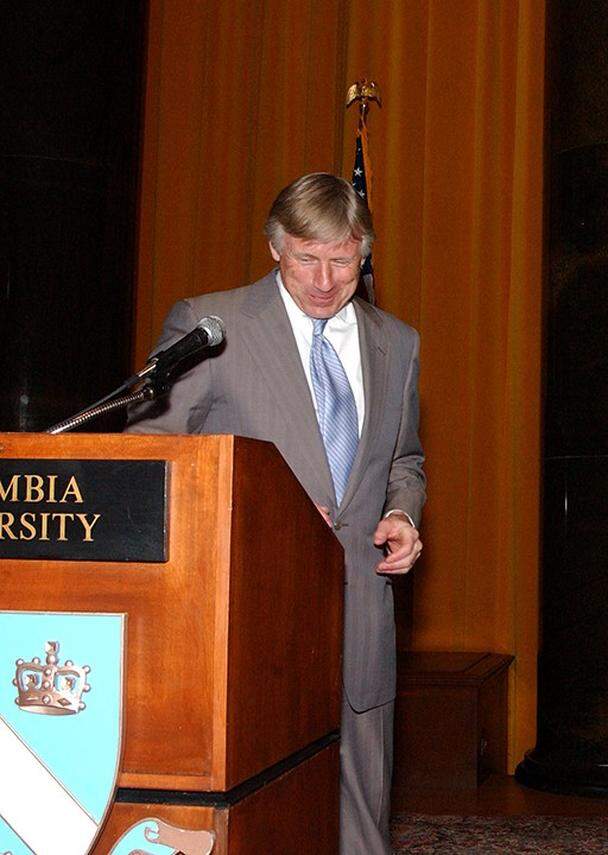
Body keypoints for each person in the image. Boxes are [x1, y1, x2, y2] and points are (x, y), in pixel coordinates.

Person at [127, 172, 425, 854]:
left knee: (360, 828)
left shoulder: (397, 343)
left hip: (359, 619)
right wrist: (262, 513)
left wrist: (404, 514)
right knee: (253, 819)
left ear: (365, 254)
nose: (325, 278)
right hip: (243, 621)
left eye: (343, 260)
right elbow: (149, 457)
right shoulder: (212, 326)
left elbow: (405, 459)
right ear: (273, 248)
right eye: (306, 257)